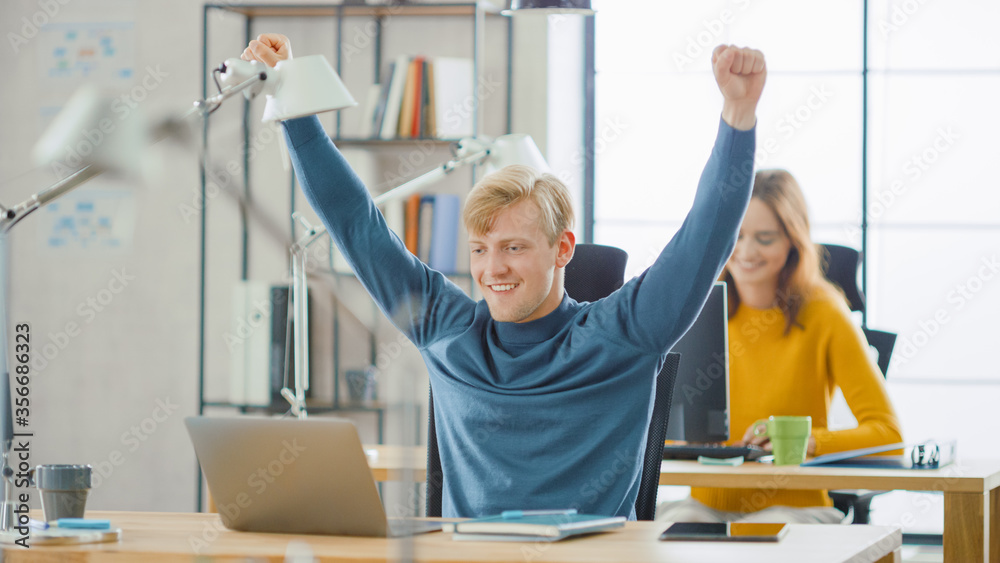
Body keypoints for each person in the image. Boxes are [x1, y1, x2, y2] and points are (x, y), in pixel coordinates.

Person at [242, 33, 766, 519]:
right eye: (480, 249)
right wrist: (292, 103)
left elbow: (705, 235)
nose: (493, 269)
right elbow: (355, 222)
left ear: (562, 249)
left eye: (513, 248)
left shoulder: (625, 334)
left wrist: (738, 115)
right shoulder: (444, 326)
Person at [657, 169, 904, 524]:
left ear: (793, 241)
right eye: (736, 236)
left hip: (797, 510)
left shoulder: (825, 311)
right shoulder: (699, 306)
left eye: (765, 238)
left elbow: (889, 435)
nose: (745, 251)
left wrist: (810, 442)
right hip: (704, 508)